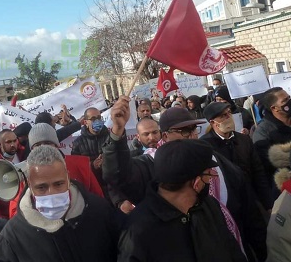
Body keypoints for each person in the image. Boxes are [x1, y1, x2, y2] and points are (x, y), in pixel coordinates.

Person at [103, 98, 268, 262]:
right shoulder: (152, 164)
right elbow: (118, 176)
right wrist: (117, 131)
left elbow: (248, 213)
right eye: (184, 131)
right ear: (166, 135)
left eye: (194, 129)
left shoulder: (215, 162)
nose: (192, 135)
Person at [118, 140, 247, 262]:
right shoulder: (138, 231)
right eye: (209, 174)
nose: (212, 178)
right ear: (196, 183)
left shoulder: (210, 206)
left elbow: (233, 252)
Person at [0, 146, 122, 262]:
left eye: (58, 184)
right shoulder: (12, 236)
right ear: (29, 184)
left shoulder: (100, 211)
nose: (51, 193)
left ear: (68, 177)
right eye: (42, 187)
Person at [8, 123, 104, 218]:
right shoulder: (24, 173)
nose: (43, 148)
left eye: (48, 143)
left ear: (56, 145)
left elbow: (98, 198)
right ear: (32, 149)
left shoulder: (80, 165)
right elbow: (15, 212)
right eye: (38, 145)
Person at [202, 102, 272, 211]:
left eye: (229, 113)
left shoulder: (244, 140)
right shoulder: (206, 146)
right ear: (212, 122)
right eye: (223, 116)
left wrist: (268, 204)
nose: (228, 117)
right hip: (227, 206)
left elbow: (258, 172)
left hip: (251, 201)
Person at [253, 87, 291, 195]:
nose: (289, 101)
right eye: (285, 101)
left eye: (289, 97)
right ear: (274, 108)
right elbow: (268, 165)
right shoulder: (263, 133)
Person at [71, 107, 110, 198]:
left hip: (112, 187)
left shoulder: (110, 137)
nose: (97, 121)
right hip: (92, 190)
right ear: (85, 122)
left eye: (99, 118)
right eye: (93, 119)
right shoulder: (78, 143)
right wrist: (92, 165)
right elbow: (76, 169)